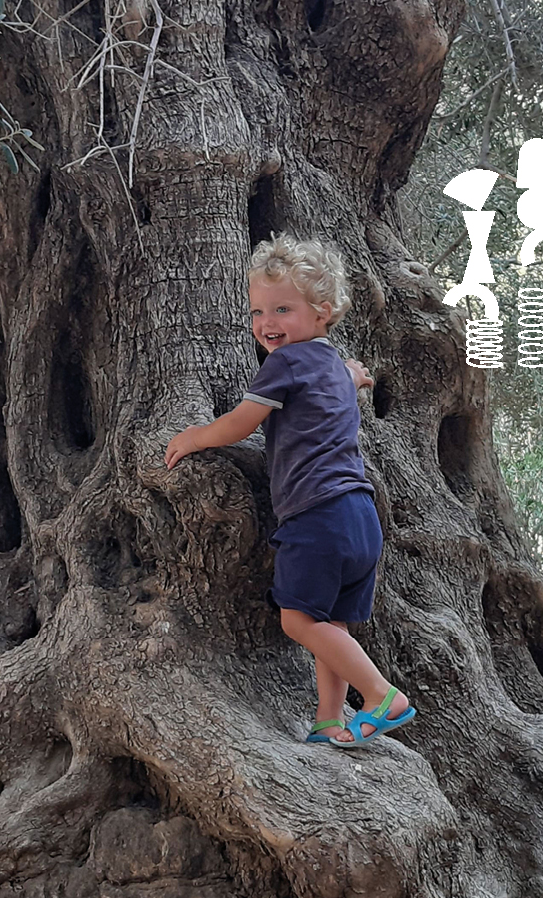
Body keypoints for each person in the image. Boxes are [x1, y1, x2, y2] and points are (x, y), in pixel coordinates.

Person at [165, 233, 415, 747]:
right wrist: (355, 379)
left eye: (282, 309)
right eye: (257, 312)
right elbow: (343, 381)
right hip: (359, 516)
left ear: (323, 313)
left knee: (298, 621)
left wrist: (195, 437)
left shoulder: (285, 363)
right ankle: (329, 719)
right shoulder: (334, 367)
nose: (266, 323)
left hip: (316, 514)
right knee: (331, 624)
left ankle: (381, 695)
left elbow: (242, 423)